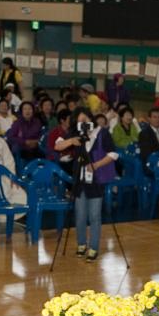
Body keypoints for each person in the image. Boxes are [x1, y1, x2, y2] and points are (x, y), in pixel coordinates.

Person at [57, 108, 118, 262]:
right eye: (79, 121)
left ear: (91, 119)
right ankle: (81, 244)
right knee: (80, 214)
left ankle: (94, 247)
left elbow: (113, 154)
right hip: (79, 180)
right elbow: (58, 146)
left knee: (95, 215)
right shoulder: (75, 134)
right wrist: (72, 141)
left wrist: (96, 165)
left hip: (96, 179)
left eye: (85, 120)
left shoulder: (102, 133)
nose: (83, 124)